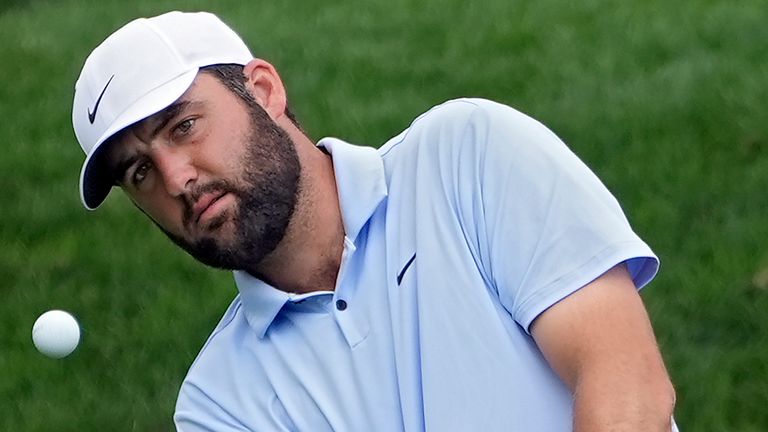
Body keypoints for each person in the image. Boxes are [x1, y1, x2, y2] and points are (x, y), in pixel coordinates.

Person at [71, 11, 678, 432]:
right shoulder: (220, 405)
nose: (176, 179)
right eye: (140, 173)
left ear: (262, 90)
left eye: (184, 127)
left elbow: (626, 384)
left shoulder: (468, 153)